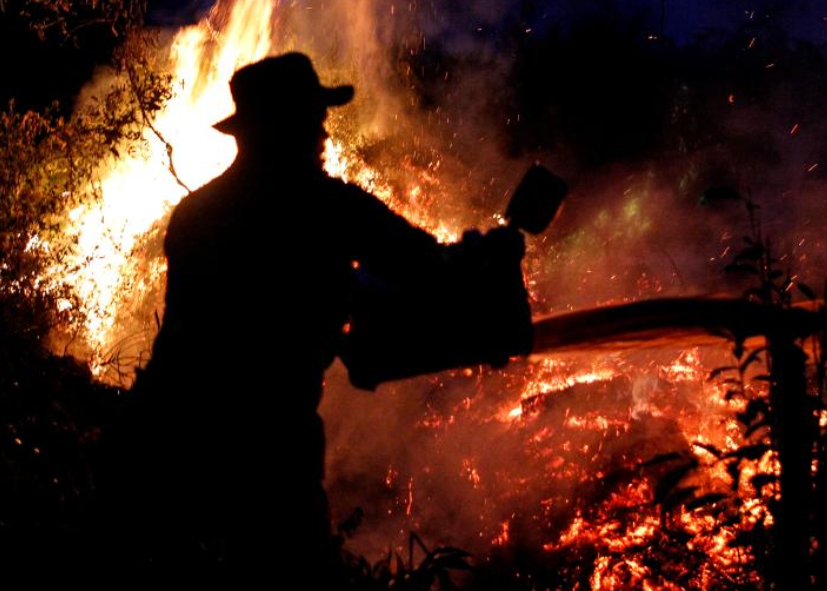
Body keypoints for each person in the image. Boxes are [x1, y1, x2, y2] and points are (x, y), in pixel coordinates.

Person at [122, 52, 531, 586]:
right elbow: (426, 269)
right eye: (311, 119)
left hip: (162, 433)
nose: (321, 133)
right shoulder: (326, 206)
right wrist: (489, 253)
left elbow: (251, 305)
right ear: (280, 127)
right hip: (267, 445)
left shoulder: (195, 213)